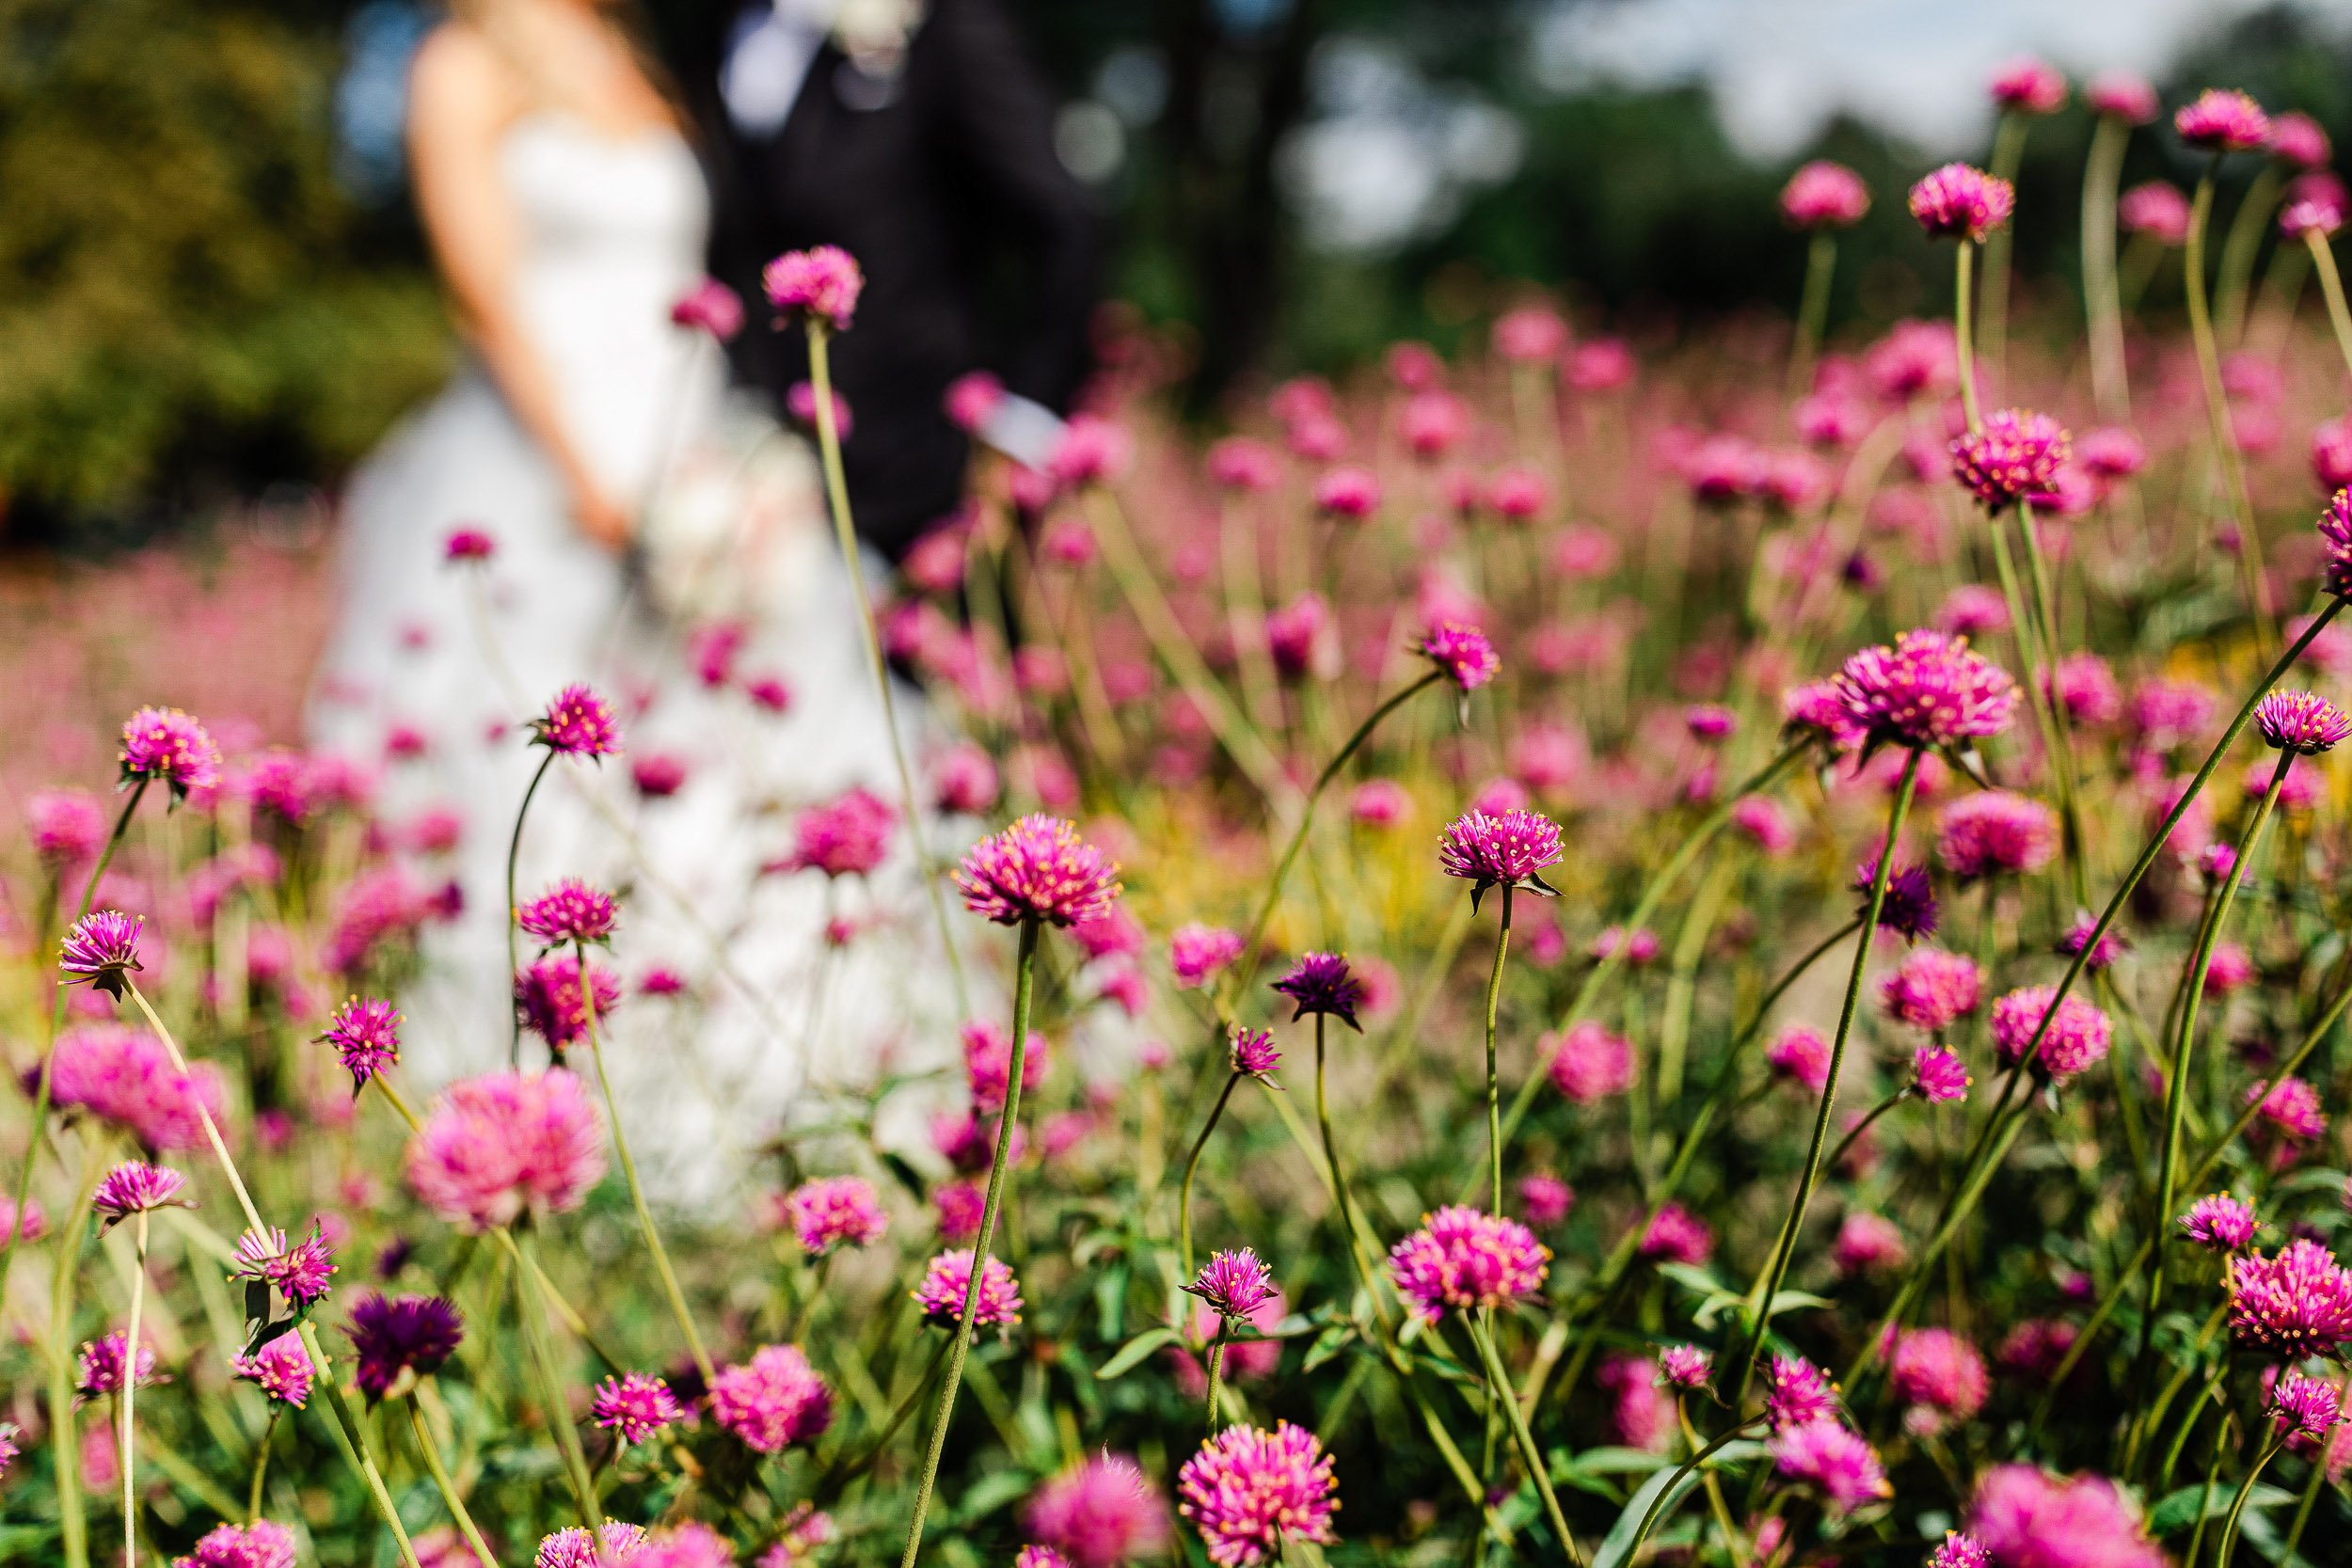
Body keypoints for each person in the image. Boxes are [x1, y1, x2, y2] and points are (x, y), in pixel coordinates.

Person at [307, 0, 949, 1200]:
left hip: (691, 430)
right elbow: (484, 291)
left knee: (746, 767)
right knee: (539, 773)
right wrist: (595, 485)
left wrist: (725, 484)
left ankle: (768, 1110)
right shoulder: (463, 57)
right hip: (543, 460)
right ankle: (532, 1127)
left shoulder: (640, 48)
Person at [697, 0, 1104, 561]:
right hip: (754, 465)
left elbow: (1061, 224)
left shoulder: (952, 26)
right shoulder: (724, 28)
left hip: (920, 470)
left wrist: (1023, 419)